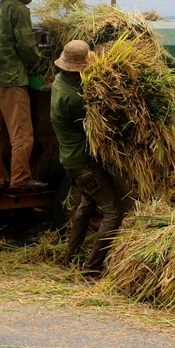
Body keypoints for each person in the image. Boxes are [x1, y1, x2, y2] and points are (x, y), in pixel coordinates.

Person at [50, 40, 124, 277]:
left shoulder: (59, 82)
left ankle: (69, 257)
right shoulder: (74, 100)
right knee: (113, 211)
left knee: (86, 204)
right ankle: (92, 269)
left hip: (71, 160)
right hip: (83, 162)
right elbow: (103, 124)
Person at [0, 0, 47, 191]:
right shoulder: (19, 9)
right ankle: (20, 178)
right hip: (10, 79)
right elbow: (26, 45)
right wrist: (38, 62)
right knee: (21, 132)